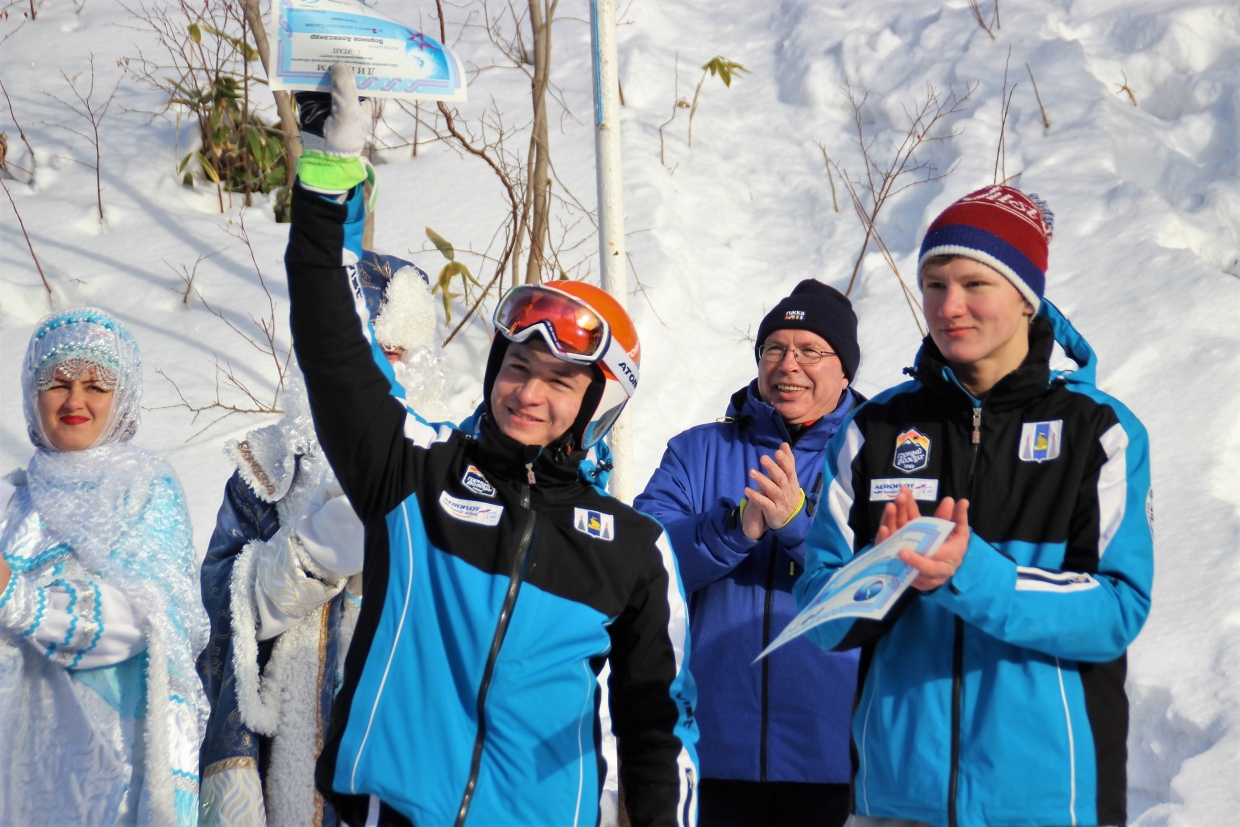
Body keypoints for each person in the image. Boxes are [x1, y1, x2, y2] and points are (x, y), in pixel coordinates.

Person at [282, 64, 697, 827]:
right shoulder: (415, 474)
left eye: (560, 382)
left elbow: (657, 728)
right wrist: (330, 176)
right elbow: (333, 344)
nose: (527, 392)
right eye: (517, 365)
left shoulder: (633, 550)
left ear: (595, 407)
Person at [795, 186, 1154, 827]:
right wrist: (885, 573)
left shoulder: (1098, 430)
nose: (948, 306)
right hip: (894, 801)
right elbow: (820, 616)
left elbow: (1115, 610)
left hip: (1049, 805)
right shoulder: (876, 427)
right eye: (934, 284)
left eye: (973, 283)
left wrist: (968, 575)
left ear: (1025, 296)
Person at [197, 254, 438, 827]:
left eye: (396, 353)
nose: (379, 372)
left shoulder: (453, 473)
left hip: (409, 749)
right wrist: (313, 554)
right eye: (361, 352)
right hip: (293, 758)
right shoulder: (268, 470)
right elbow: (221, 613)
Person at [635, 280, 863, 826]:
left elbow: (888, 577)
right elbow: (643, 562)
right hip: (710, 753)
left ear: (845, 370)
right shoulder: (696, 451)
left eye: (810, 350)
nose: (789, 365)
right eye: (775, 349)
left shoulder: (880, 451)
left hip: (838, 760)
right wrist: (736, 527)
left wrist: (796, 526)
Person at [0, 308, 209, 826]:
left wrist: (18, 599)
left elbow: (140, 619)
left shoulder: (142, 489)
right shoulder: (17, 500)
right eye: (57, 383)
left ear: (123, 398)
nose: (75, 400)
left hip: (105, 775)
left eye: (97, 384)